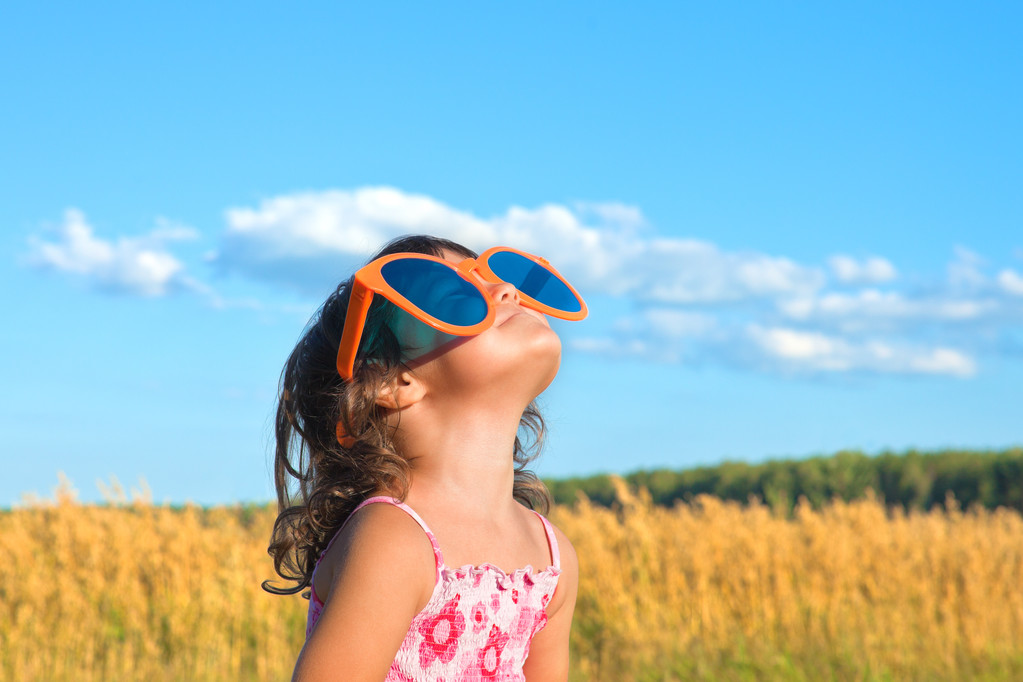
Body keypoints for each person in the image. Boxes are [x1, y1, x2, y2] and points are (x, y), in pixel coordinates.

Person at [263, 234, 587, 681]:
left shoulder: (552, 557)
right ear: (392, 382)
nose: (507, 292)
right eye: (458, 298)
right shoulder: (393, 540)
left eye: (495, 277)